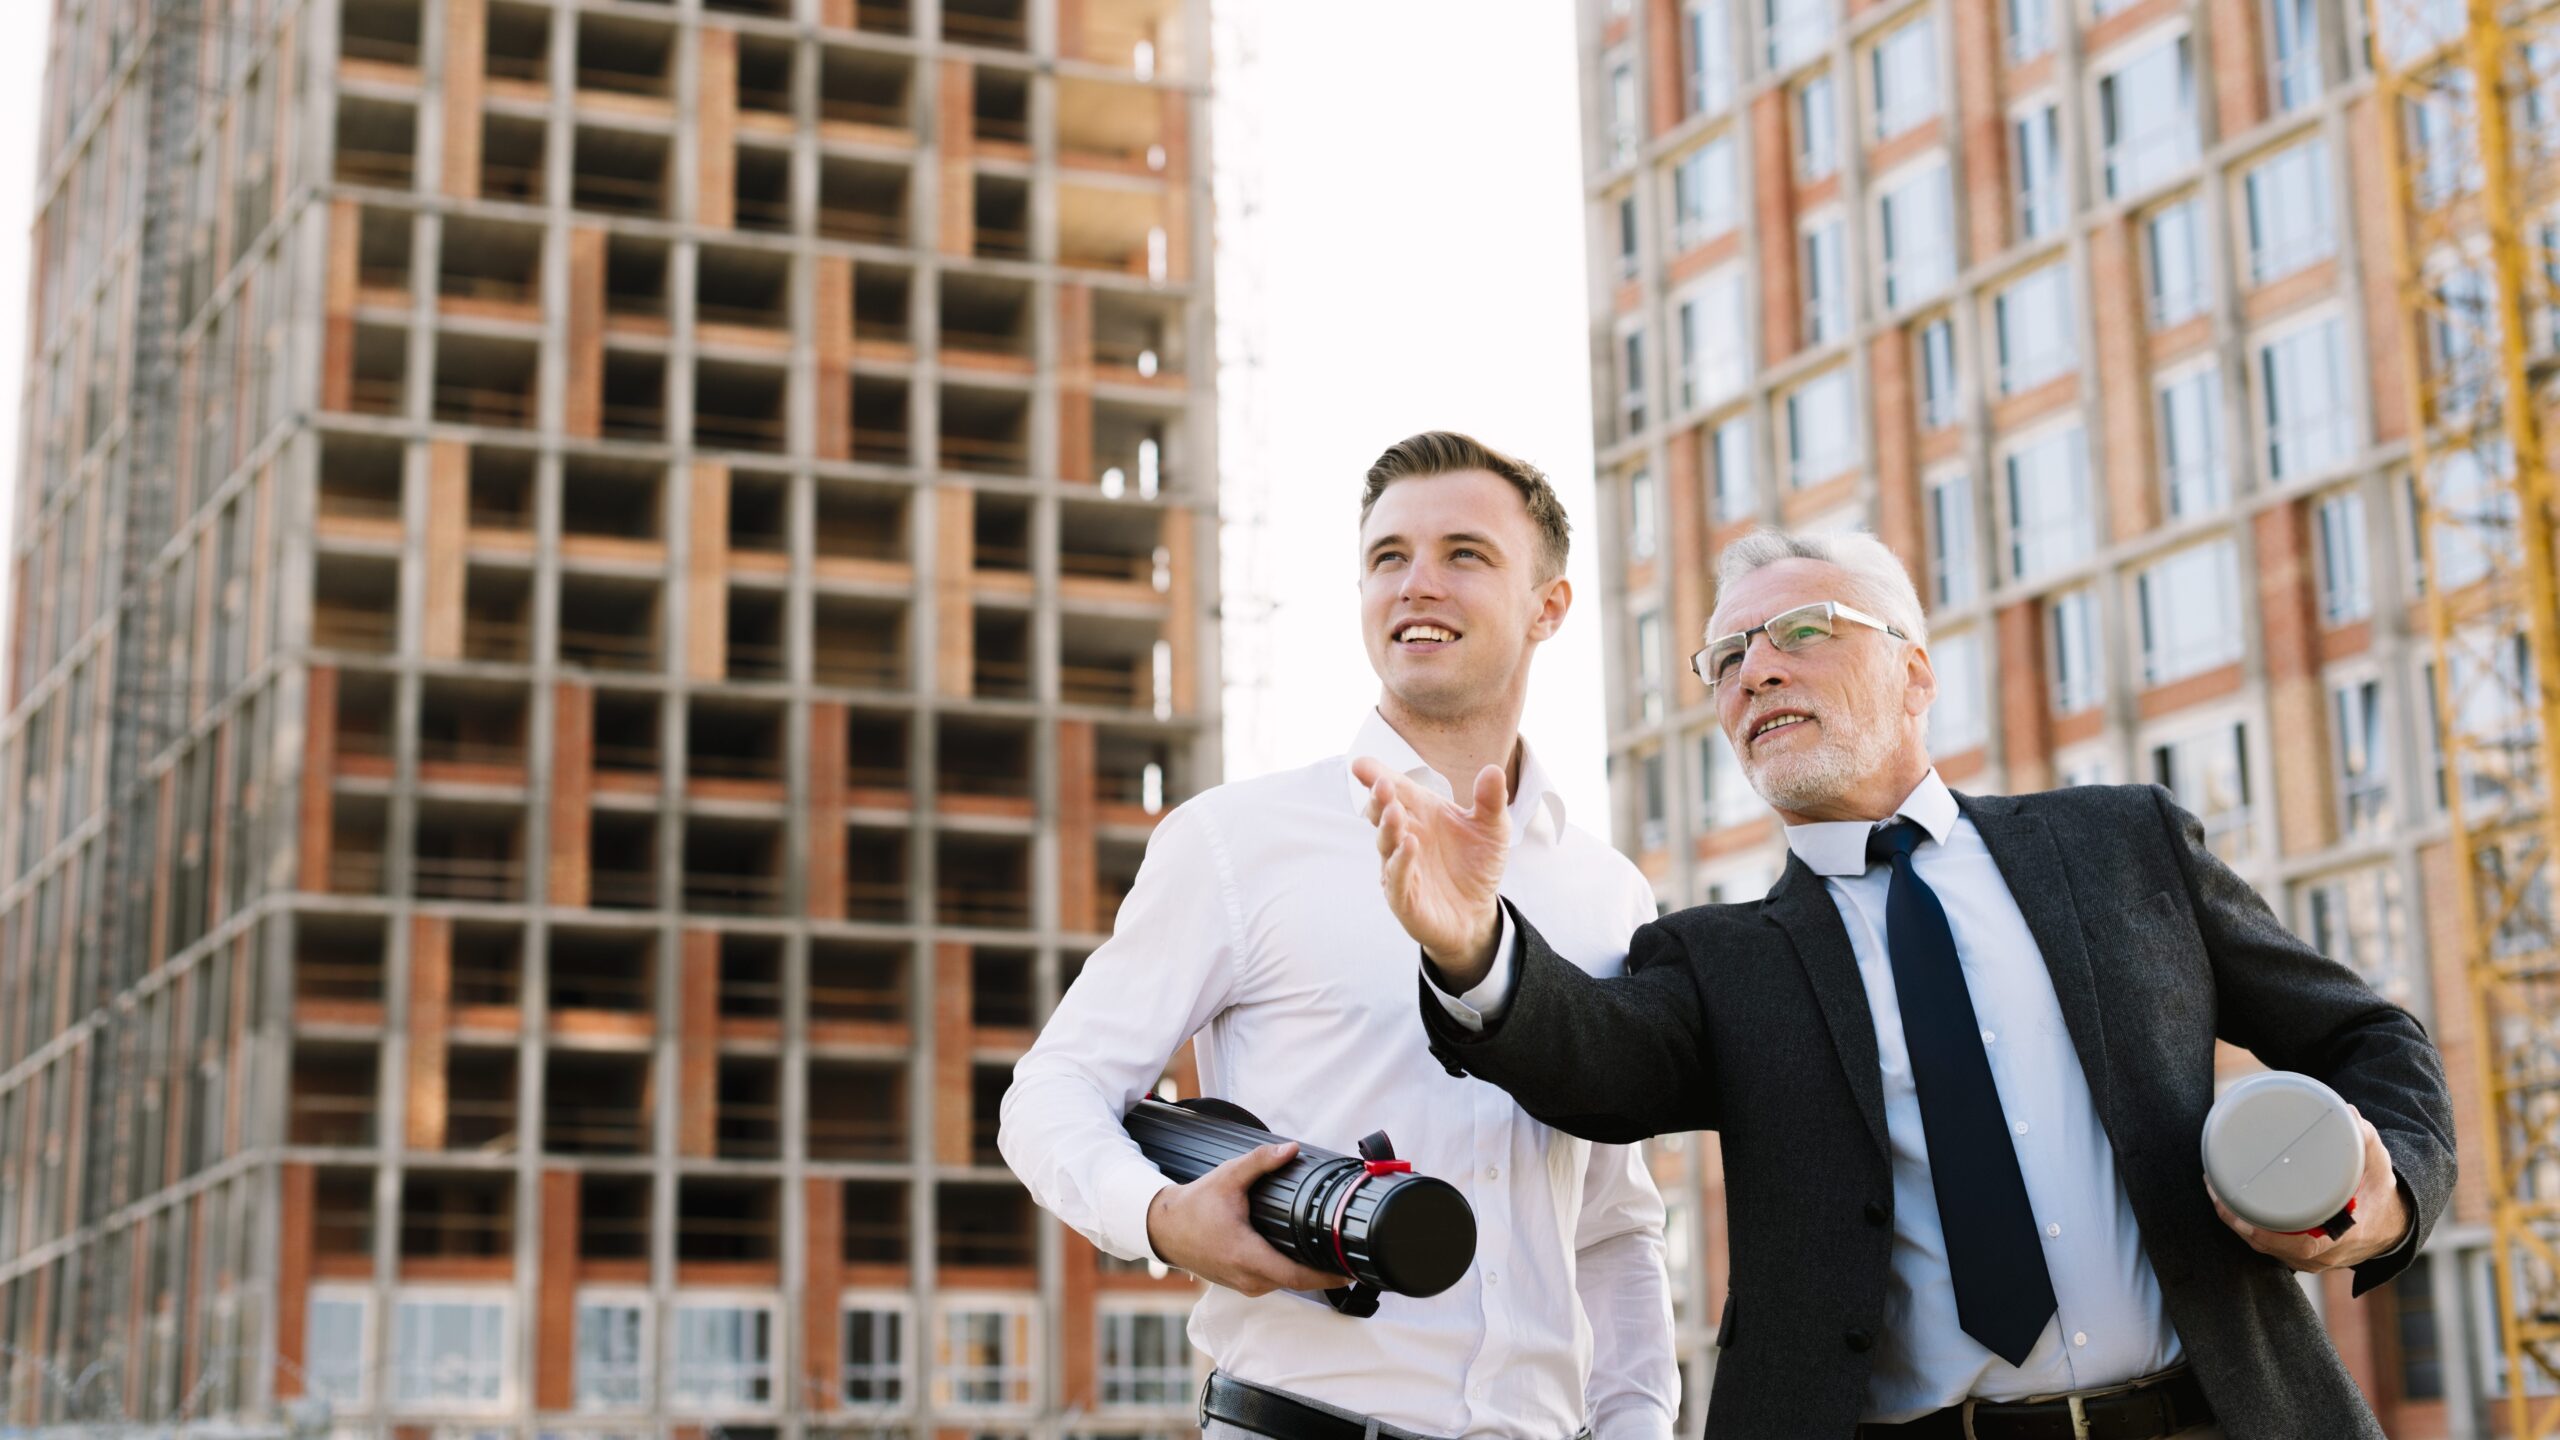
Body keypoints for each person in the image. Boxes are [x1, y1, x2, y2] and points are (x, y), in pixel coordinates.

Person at [1352, 528, 2455, 1440]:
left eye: (1800, 632)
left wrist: (2386, 1196)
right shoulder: (1715, 958)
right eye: (1726, 658)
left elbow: (2366, 1034)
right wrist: (1473, 944)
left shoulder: (2124, 845)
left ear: (1915, 672)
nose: (1755, 671)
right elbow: (1589, 1060)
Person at [1000, 432, 1680, 1440]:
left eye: (1464, 554)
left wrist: (1638, 1425)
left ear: (1549, 606)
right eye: (1387, 557)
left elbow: (1614, 1221)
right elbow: (1052, 1091)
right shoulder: (1237, 841)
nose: (1416, 583)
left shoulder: (1607, 892)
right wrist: (1162, 1218)